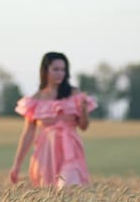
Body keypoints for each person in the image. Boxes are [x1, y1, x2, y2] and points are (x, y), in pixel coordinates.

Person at [9, 52, 97, 188]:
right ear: (45, 70)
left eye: (63, 69)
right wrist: (17, 165)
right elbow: (28, 134)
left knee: (69, 188)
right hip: (45, 154)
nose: (60, 73)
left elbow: (84, 126)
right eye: (56, 69)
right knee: (50, 197)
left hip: (70, 151)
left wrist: (84, 109)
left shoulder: (74, 94)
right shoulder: (35, 99)